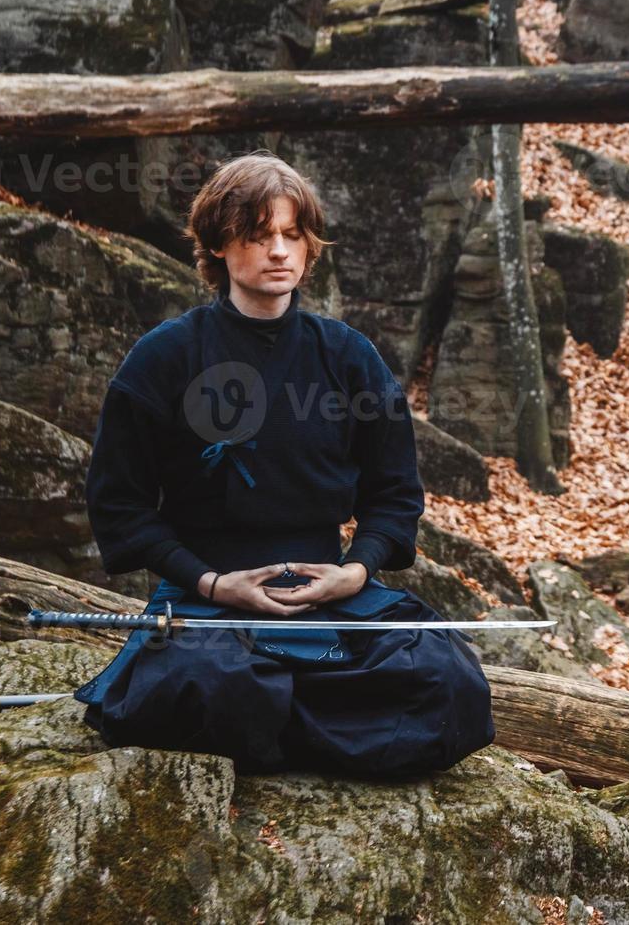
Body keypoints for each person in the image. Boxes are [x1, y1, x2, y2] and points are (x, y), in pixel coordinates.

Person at [74, 149, 495, 777]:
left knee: (449, 681)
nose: (279, 251)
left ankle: (278, 717)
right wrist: (214, 583)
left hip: (329, 592)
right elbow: (120, 506)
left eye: (291, 234)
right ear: (219, 244)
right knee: (209, 683)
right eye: (258, 234)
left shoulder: (348, 357)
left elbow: (395, 497)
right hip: (207, 596)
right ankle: (324, 719)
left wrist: (353, 574)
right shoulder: (164, 357)